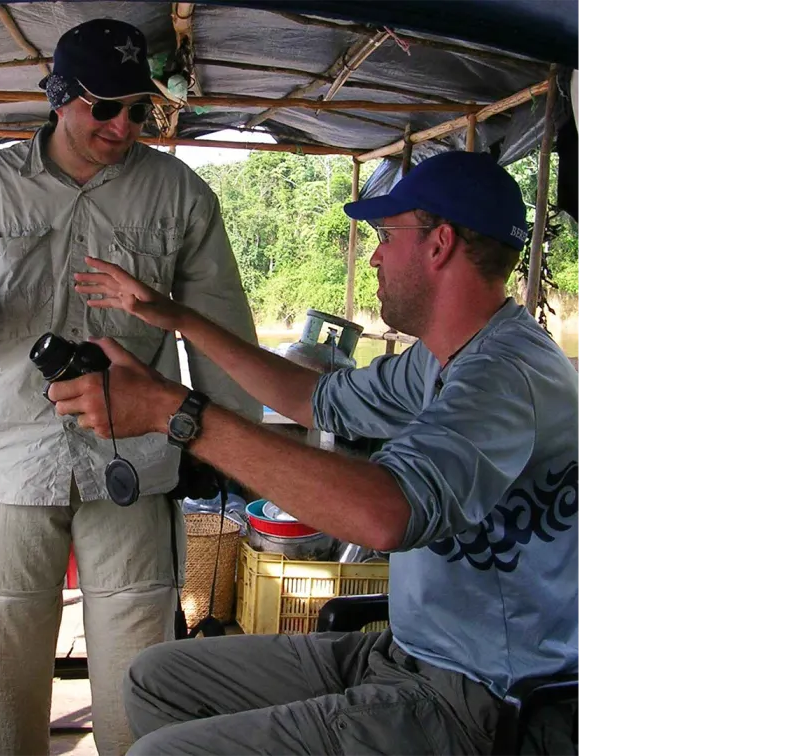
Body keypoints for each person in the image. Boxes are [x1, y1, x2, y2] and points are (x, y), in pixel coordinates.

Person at [51, 150, 582, 755]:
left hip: (487, 700)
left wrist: (175, 415)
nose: (375, 255)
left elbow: (387, 516)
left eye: (386, 235)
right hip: (411, 652)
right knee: (156, 680)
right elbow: (311, 398)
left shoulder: (503, 375)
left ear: (439, 245)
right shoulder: (440, 358)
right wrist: (174, 317)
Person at [0, 17, 261, 756]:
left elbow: (221, 330)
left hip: (133, 465)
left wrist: (232, 445)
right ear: (60, 96)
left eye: (140, 108)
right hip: (10, 465)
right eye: (105, 106)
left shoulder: (181, 196)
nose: (123, 125)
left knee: (141, 689)